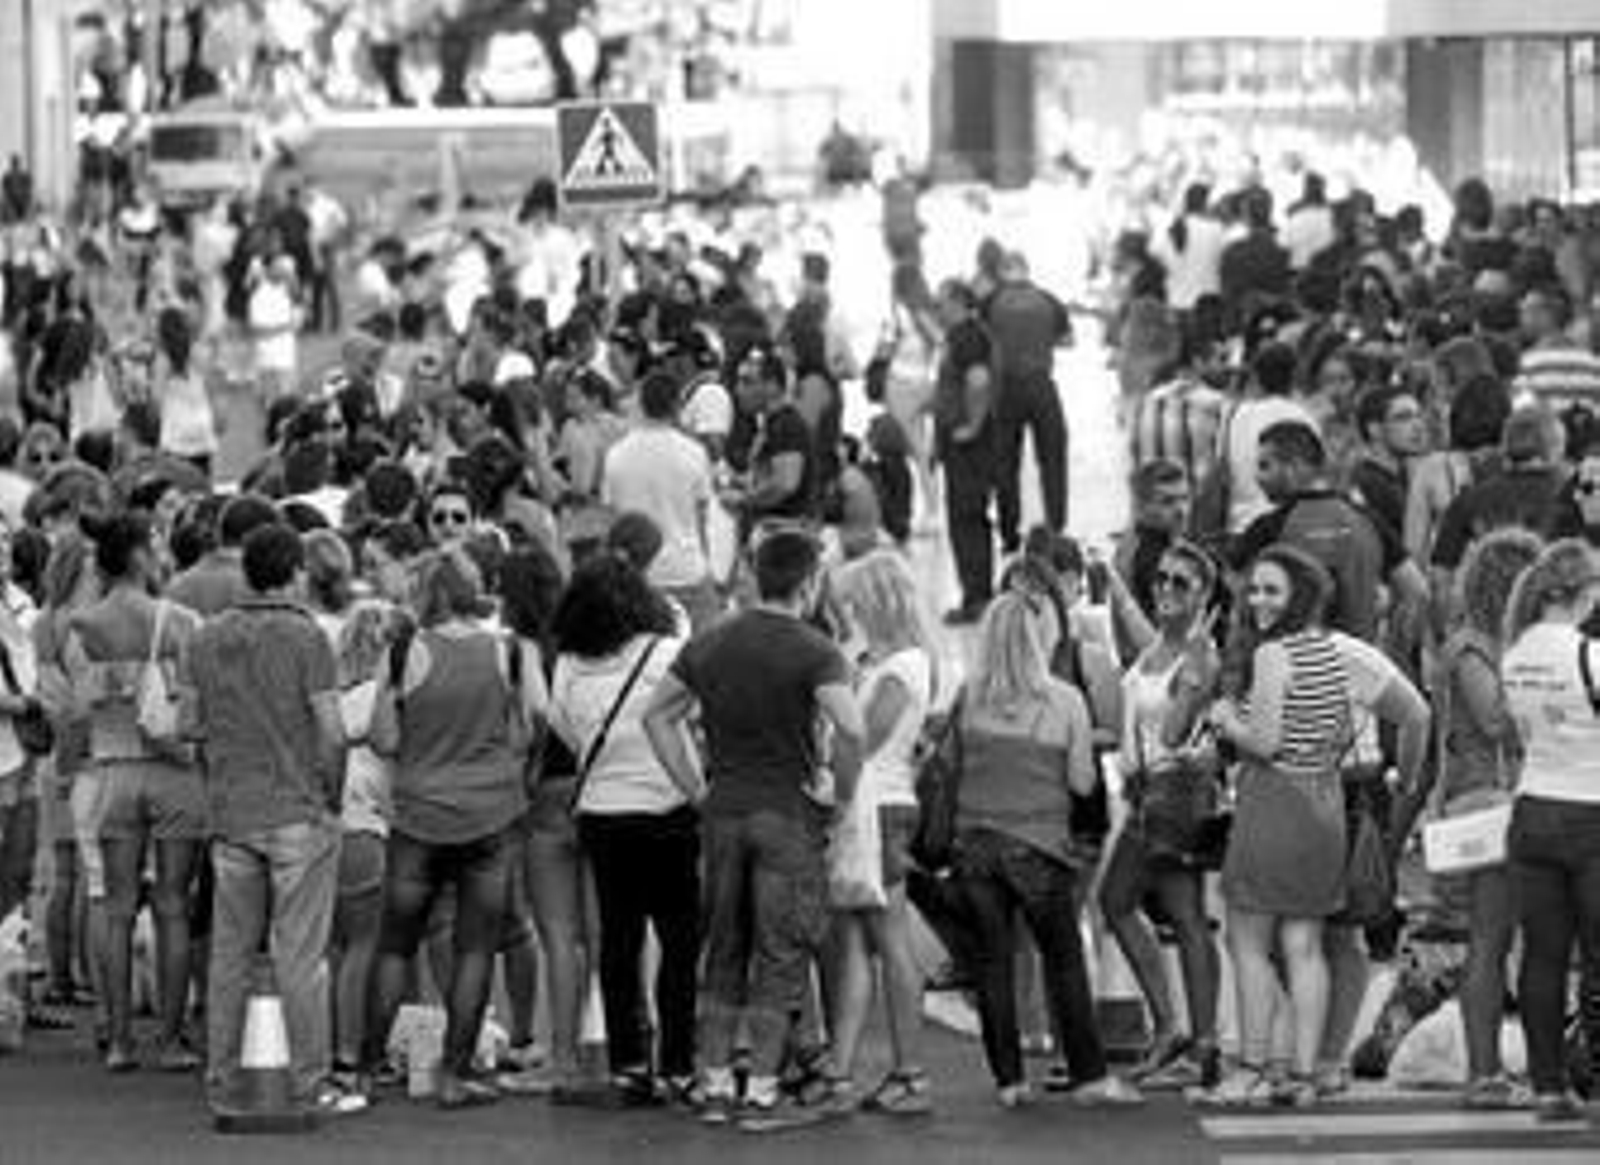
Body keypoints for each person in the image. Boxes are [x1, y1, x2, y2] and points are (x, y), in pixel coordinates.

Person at [642, 526, 864, 1132]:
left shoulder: (711, 643)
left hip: (724, 811)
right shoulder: (816, 649)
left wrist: (696, 789)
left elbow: (657, 716)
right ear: (810, 580)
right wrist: (838, 793)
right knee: (778, 953)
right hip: (787, 814)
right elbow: (852, 728)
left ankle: (714, 1085)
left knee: (722, 951)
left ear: (756, 573)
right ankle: (762, 1092)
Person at [181, 523, 358, 1117]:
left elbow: (188, 727)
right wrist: (331, 796)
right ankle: (310, 1082)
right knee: (300, 958)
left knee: (230, 953)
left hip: (232, 810)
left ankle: (222, 1079)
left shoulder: (206, 637)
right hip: (297, 808)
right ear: (296, 573)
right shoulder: (307, 637)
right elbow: (332, 733)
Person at [362, 548, 542, 1109]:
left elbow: (383, 738)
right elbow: (532, 722)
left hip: (418, 813)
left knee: (395, 944)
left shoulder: (402, 651)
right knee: (475, 948)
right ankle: (454, 1074)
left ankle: (365, 1069)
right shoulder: (508, 650)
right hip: (491, 813)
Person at [949, 591, 1142, 1110]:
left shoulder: (969, 696)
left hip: (974, 845)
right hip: (1038, 846)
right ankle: (1089, 1076)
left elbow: (951, 765)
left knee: (993, 963)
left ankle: (1009, 1081)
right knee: (1063, 960)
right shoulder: (1064, 701)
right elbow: (1082, 782)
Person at [1200, 545, 1350, 1108]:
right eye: (1254, 588)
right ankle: (1305, 1076)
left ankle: (1254, 1068)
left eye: (1272, 591)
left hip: (1274, 804)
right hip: (1323, 804)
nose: (1258, 600)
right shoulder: (1331, 652)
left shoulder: (1272, 656)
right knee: (1305, 944)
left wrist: (1224, 719)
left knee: (1247, 941)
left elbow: (1264, 742)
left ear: (1300, 598)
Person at [548, 551, 698, 1105]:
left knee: (619, 938)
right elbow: (695, 715)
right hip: (669, 806)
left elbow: (563, 727)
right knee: (680, 939)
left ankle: (628, 1062)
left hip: (602, 813)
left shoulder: (566, 664)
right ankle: (679, 1062)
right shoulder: (667, 652)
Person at [64, 512, 205, 1073]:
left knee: (117, 908)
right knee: (173, 906)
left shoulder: (82, 626)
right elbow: (193, 708)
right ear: (143, 555)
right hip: (173, 773)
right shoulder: (180, 622)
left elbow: (75, 714)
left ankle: (119, 1038)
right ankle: (170, 1039)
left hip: (112, 768)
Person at [1098, 541, 1223, 1092]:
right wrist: (1113, 579)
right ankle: (1188, 1038)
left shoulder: (1197, 655)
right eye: (1163, 579)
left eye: (1183, 584)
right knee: (1176, 911)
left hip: (1173, 795)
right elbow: (1132, 620)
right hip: (1147, 794)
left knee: (1129, 903)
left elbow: (1174, 729)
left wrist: (1197, 670)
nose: (1167, 590)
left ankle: (1189, 1039)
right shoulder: (1159, 647)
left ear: (1205, 597)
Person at [1426, 529, 1540, 1108]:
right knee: (1490, 939)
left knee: (1505, 939)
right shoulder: (1472, 646)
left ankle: (1493, 1069)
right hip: (1488, 798)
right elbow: (1494, 720)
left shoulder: (1492, 643)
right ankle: (1484, 1072)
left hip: (1511, 796)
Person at [826, 550, 936, 1114]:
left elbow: (861, 738)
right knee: (856, 939)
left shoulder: (902, 666)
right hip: (870, 804)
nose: (848, 610)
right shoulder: (882, 660)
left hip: (881, 806)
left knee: (889, 940)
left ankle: (911, 1072)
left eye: (854, 599)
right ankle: (842, 1069)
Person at [1499, 538, 1600, 1121]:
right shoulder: (1589, 655)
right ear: (1584, 593)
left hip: (1533, 809)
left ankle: (1547, 1087)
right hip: (1590, 812)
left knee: (1543, 957)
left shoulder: (1516, 653)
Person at [601, 369, 721, 631]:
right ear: (677, 406)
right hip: (687, 570)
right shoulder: (694, 453)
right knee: (699, 660)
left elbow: (613, 522)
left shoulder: (616, 455)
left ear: (641, 404)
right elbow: (701, 519)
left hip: (638, 575)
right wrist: (708, 566)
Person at [986, 252, 1072, 546]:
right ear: (1027, 271)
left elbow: (983, 339)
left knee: (1005, 462)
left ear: (1002, 273)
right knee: (1053, 458)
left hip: (1006, 387)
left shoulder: (991, 300)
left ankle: (1010, 533)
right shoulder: (1047, 299)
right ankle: (1056, 527)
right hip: (1041, 385)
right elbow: (1067, 340)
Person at [933, 278, 997, 625]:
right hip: (957, 442)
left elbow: (978, 381)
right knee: (963, 517)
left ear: (958, 301)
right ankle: (976, 594)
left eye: (941, 303)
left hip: (969, 447)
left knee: (968, 517)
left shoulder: (968, 336)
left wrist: (972, 425)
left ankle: (978, 597)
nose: (936, 309)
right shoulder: (962, 334)